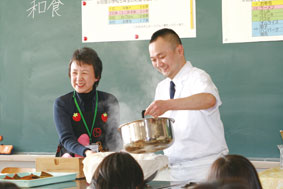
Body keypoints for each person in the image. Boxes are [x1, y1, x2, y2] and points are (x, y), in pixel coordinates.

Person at [144, 28, 228, 182]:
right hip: (176, 170)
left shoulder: (198, 77)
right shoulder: (162, 87)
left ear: (179, 50)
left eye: (162, 57)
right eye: (153, 59)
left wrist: (168, 104)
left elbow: (209, 100)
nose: (158, 64)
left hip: (207, 169)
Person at [54, 47, 122, 157]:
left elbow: (113, 136)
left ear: (97, 76)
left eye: (84, 73)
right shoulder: (62, 103)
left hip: (102, 162)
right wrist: (87, 152)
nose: (78, 78)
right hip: (71, 161)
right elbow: (66, 139)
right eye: (74, 73)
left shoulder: (109, 100)